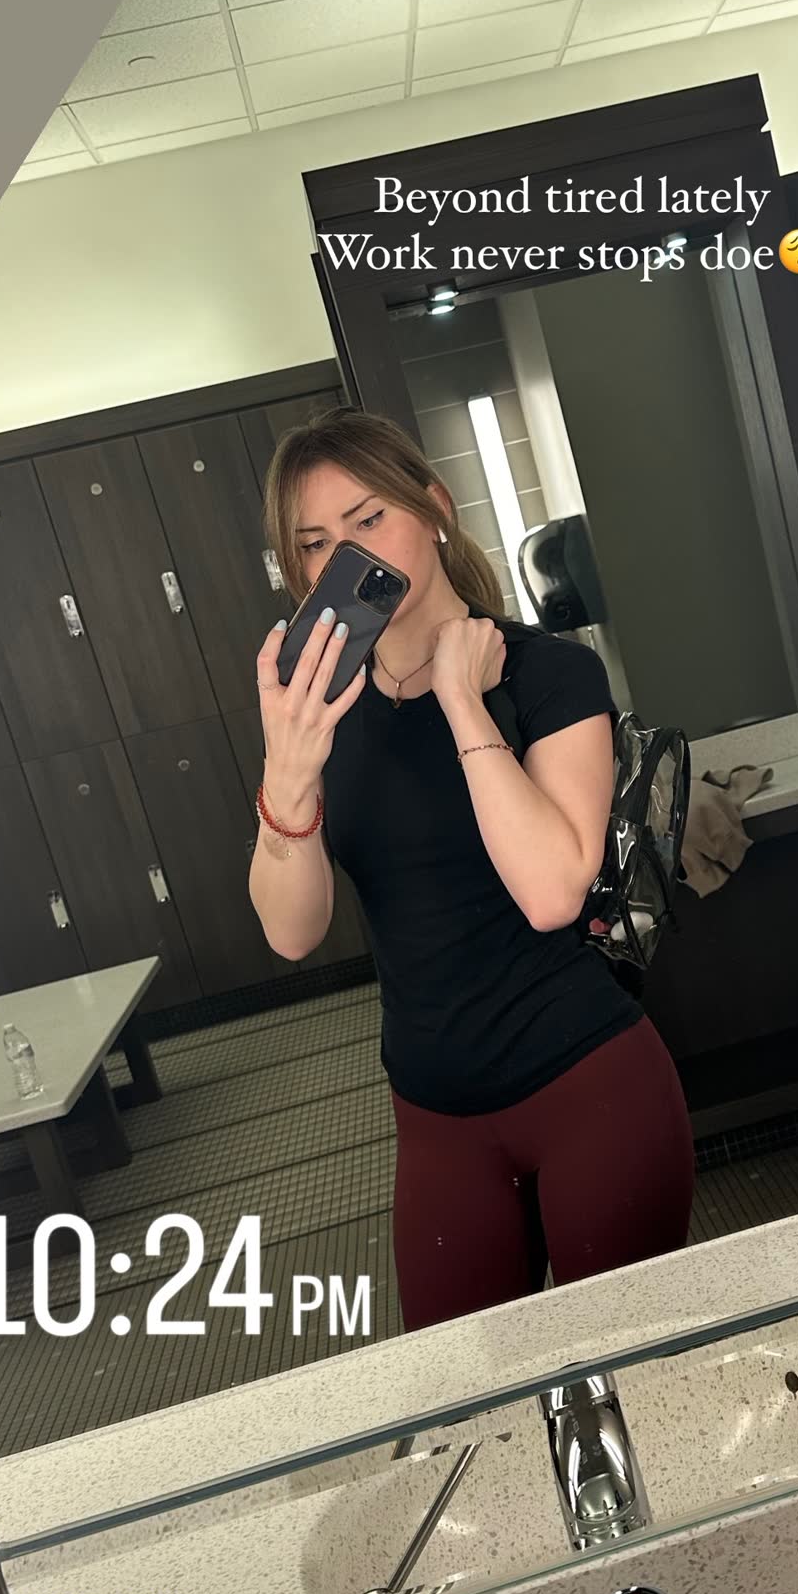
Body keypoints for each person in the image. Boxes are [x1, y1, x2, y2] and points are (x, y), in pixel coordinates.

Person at [250, 408, 694, 1330]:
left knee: (634, 1373)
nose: (348, 555)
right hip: (435, 1116)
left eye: (369, 519)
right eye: (316, 542)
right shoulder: (321, 715)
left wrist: (460, 699)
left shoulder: (548, 675)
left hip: (588, 1084)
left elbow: (551, 892)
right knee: (468, 1393)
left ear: (435, 510)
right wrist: (287, 774)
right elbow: (291, 934)